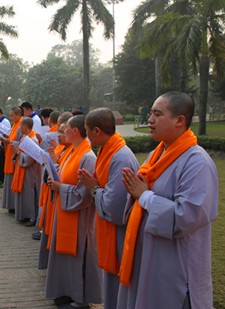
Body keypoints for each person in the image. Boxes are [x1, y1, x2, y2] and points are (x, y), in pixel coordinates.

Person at [118, 91, 218, 309]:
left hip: (176, 266)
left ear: (179, 120)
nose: (150, 120)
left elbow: (187, 216)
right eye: (151, 113)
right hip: (149, 257)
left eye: (157, 114)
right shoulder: (158, 153)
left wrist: (144, 196)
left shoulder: (196, 162)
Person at [77, 108, 140, 309]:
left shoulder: (120, 157)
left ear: (97, 131)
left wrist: (94, 189)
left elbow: (115, 207)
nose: (85, 135)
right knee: (112, 284)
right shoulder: (106, 150)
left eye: (86, 131)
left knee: (120, 283)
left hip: (120, 232)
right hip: (110, 229)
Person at [44, 115, 103, 308]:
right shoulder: (72, 151)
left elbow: (84, 194)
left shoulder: (87, 157)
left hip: (79, 217)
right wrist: (54, 169)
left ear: (75, 131)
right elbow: (64, 175)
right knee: (66, 258)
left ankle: (80, 298)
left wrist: (60, 188)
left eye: (65, 129)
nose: (62, 132)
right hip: (65, 212)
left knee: (79, 258)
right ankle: (66, 291)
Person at [37, 114, 73, 266]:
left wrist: (54, 164)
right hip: (55, 197)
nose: (58, 134)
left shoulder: (83, 155)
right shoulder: (64, 150)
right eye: (58, 131)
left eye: (63, 131)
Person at [11, 117, 41, 225]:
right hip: (22, 170)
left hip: (30, 172)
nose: (19, 128)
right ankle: (23, 215)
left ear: (25, 127)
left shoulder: (33, 140)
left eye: (20, 126)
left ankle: (32, 217)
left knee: (29, 194)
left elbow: (29, 160)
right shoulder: (25, 137)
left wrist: (18, 152)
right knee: (24, 193)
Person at [1, 106, 23, 213]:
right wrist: (7, 138)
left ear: (19, 115)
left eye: (12, 116)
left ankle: (14, 206)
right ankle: (11, 205)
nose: (11, 118)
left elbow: (22, 143)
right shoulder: (15, 125)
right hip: (10, 156)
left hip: (16, 158)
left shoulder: (21, 125)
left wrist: (8, 142)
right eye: (10, 116)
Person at [0, 108, 11, 187]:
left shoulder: (5, 122)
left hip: (5, 144)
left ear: (0, 113)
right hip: (1, 143)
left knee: (3, 163)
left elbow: (6, 132)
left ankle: (3, 180)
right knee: (0, 163)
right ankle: (0, 179)